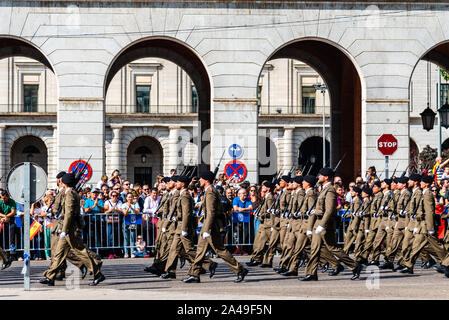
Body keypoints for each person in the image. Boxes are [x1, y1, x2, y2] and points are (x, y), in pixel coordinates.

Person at [39, 173, 105, 286]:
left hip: (69, 229)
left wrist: (64, 230)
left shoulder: (70, 194)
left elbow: (68, 214)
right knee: (58, 253)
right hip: (66, 228)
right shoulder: (70, 192)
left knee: (80, 251)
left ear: (64, 182)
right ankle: (50, 277)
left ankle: (97, 274)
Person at [182, 171, 248, 283]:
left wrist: (207, 229)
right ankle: (194, 274)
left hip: (211, 227)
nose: (199, 181)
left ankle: (240, 269)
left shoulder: (210, 192)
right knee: (201, 250)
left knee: (219, 250)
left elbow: (211, 212)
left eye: (201, 179)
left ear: (206, 180)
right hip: (208, 226)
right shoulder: (208, 191)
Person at [299, 167, 362, 281]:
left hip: (325, 223)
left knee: (333, 248)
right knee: (314, 248)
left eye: (320, 175)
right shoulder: (324, 189)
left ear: (326, 177)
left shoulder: (330, 190)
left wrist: (322, 225)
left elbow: (329, 210)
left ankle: (355, 265)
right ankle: (311, 273)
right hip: (318, 221)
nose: (318, 177)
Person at [232, 188, 253, 255]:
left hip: (246, 220)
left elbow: (251, 207)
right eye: (243, 193)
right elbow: (235, 208)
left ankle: (242, 249)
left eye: (245, 193)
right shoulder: (236, 199)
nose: (245, 194)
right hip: (237, 220)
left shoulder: (248, 199)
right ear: (239, 194)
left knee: (244, 234)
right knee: (237, 234)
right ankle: (238, 249)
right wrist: (242, 209)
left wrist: (242, 209)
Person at [104, 190, 122, 258]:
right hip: (109, 222)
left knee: (116, 237)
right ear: (110, 196)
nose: (114, 197)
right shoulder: (107, 202)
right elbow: (105, 211)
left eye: (116, 196)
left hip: (116, 221)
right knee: (110, 237)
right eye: (113, 196)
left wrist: (116, 210)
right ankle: (110, 252)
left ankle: (115, 252)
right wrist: (111, 210)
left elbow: (120, 210)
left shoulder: (119, 201)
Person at [122, 192, 141, 258]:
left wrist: (132, 208)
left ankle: (132, 252)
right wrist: (128, 207)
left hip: (133, 221)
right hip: (126, 222)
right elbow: (124, 213)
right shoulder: (124, 205)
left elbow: (138, 212)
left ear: (133, 198)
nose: (130, 198)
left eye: (131, 197)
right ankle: (126, 252)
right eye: (128, 197)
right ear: (126, 198)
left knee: (132, 237)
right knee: (126, 237)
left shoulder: (136, 204)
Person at [0, 190, 17, 260]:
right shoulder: (0, 201)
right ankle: (3, 254)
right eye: (2, 198)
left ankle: (12, 251)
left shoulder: (12, 201)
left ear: (8, 197)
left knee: (11, 235)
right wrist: (4, 217)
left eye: (5, 198)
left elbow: (13, 212)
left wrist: (7, 217)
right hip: (2, 220)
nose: (3, 200)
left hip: (10, 220)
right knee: (2, 237)